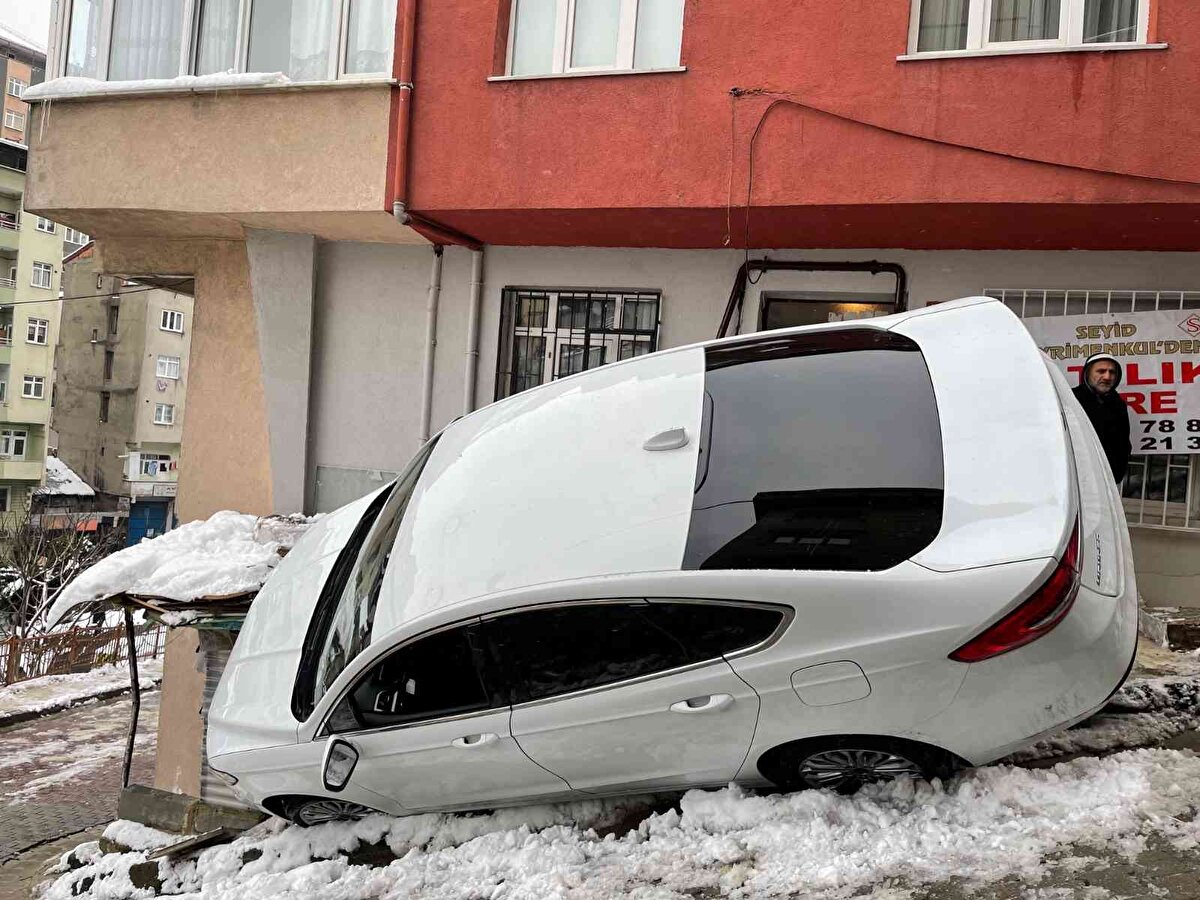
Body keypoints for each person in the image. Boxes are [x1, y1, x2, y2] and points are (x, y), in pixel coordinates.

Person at [1071, 353, 1131, 484]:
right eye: (1101, 371)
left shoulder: (1118, 404)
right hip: (1075, 478)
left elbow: (1123, 444)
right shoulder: (1071, 399)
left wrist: (1116, 474)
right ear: (1087, 373)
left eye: (1112, 372)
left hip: (1107, 481)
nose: (1107, 377)